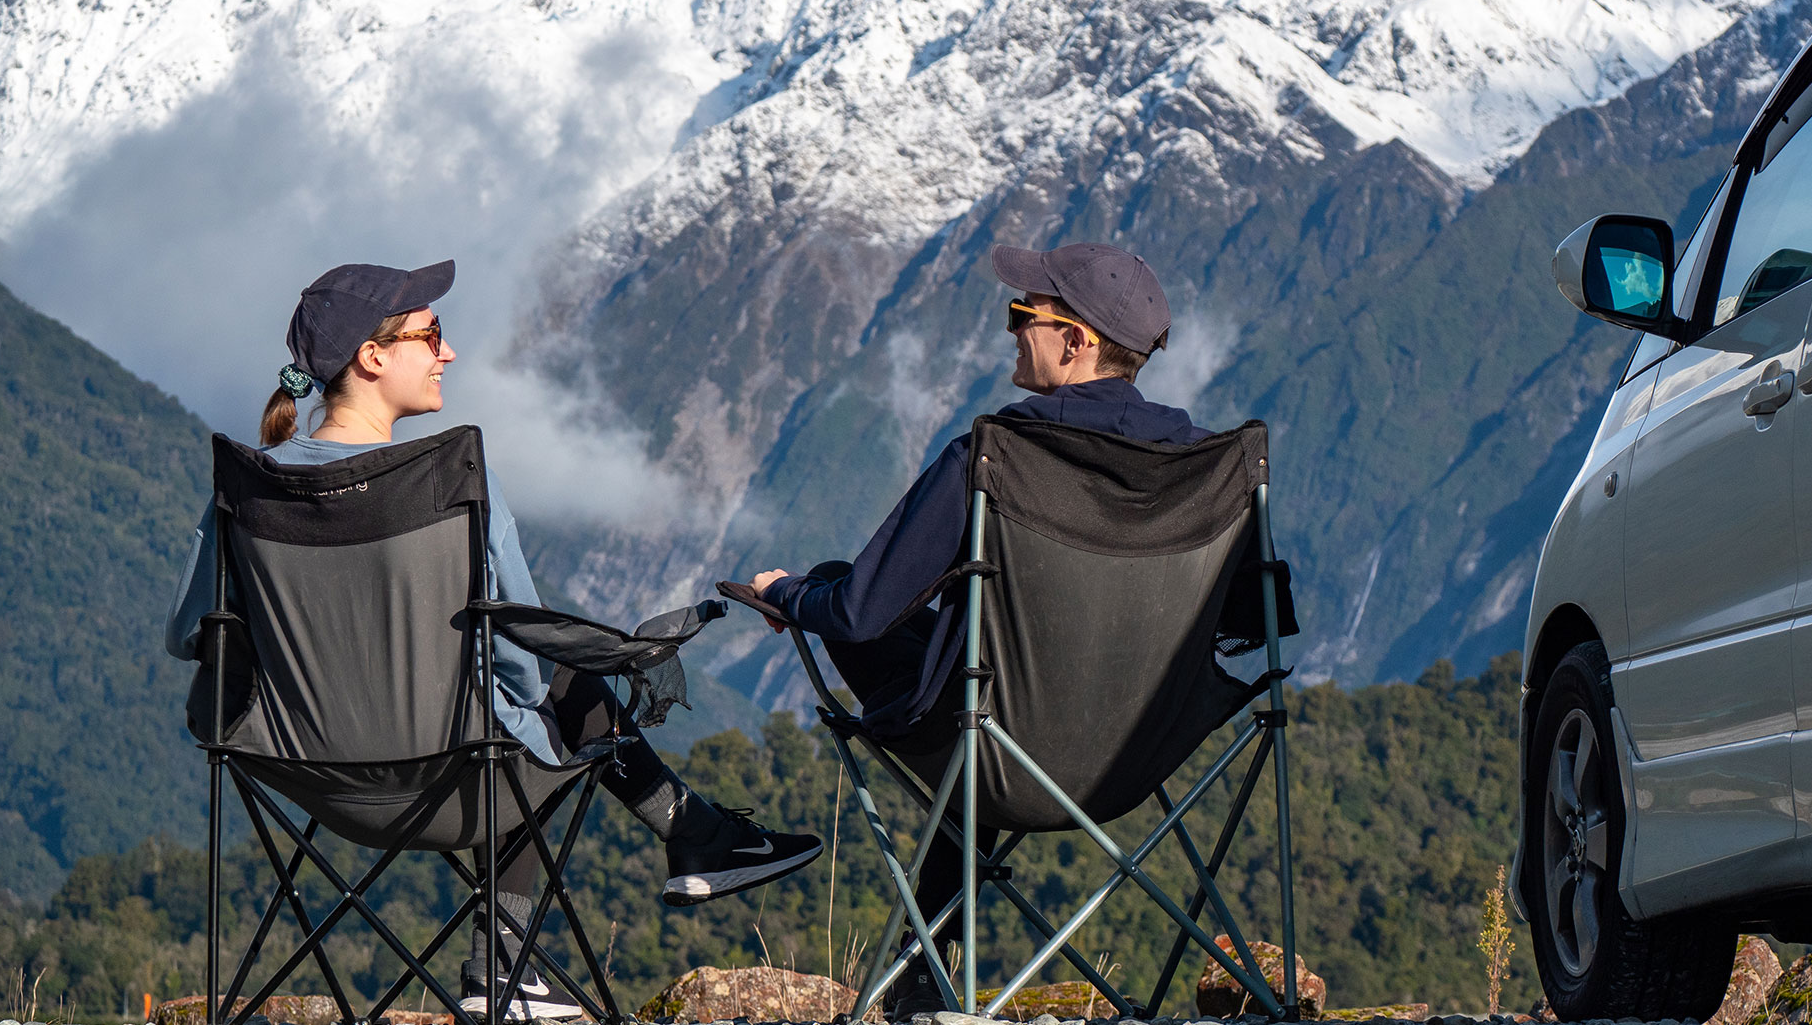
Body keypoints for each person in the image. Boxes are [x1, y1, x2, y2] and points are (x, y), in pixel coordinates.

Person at [165, 260, 821, 1021]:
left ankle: (683, 852)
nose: (448, 352)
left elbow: (190, 632)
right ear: (372, 359)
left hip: (310, 781)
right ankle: (534, 945)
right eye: (431, 334)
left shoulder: (248, 486)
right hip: (458, 783)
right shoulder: (448, 475)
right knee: (562, 699)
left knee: (527, 714)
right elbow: (520, 652)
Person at [740, 241, 1204, 1019]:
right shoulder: (1204, 465)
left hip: (999, 750)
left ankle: (928, 959)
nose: (1010, 328)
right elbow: (1252, 623)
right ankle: (927, 959)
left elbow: (860, 612)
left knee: (850, 597)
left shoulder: (994, 456)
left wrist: (789, 595)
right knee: (980, 675)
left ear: (1076, 341)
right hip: (1138, 754)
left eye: (1024, 313)